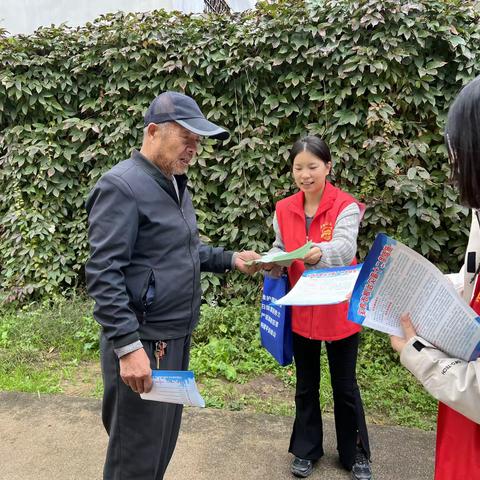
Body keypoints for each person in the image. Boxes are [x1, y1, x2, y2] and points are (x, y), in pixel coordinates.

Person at [85, 91, 259, 480]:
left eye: (198, 141)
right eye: (187, 138)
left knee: (159, 449)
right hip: (144, 343)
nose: (194, 149)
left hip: (175, 338)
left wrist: (232, 259)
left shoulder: (175, 184)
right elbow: (103, 272)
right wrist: (128, 348)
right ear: (153, 132)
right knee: (135, 457)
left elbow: (183, 250)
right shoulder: (122, 186)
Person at [264, 135, 372, 479]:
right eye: (299, 167)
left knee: (344, 385)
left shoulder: (346, 205)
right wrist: (271, 262)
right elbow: (281, 246)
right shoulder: (284, 208)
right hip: (301, 311)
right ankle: (306, 450)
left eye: (313, 166)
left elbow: (343, 246)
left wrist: (319, 253)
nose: (305, 174)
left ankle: (354, 453)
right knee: (306, 383)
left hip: (338, 309)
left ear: (328, 166)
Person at [390, 75, 480, 480]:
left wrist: (418, 354)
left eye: (458, 150)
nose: (454, 164)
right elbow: (471, 277)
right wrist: (428, 287)